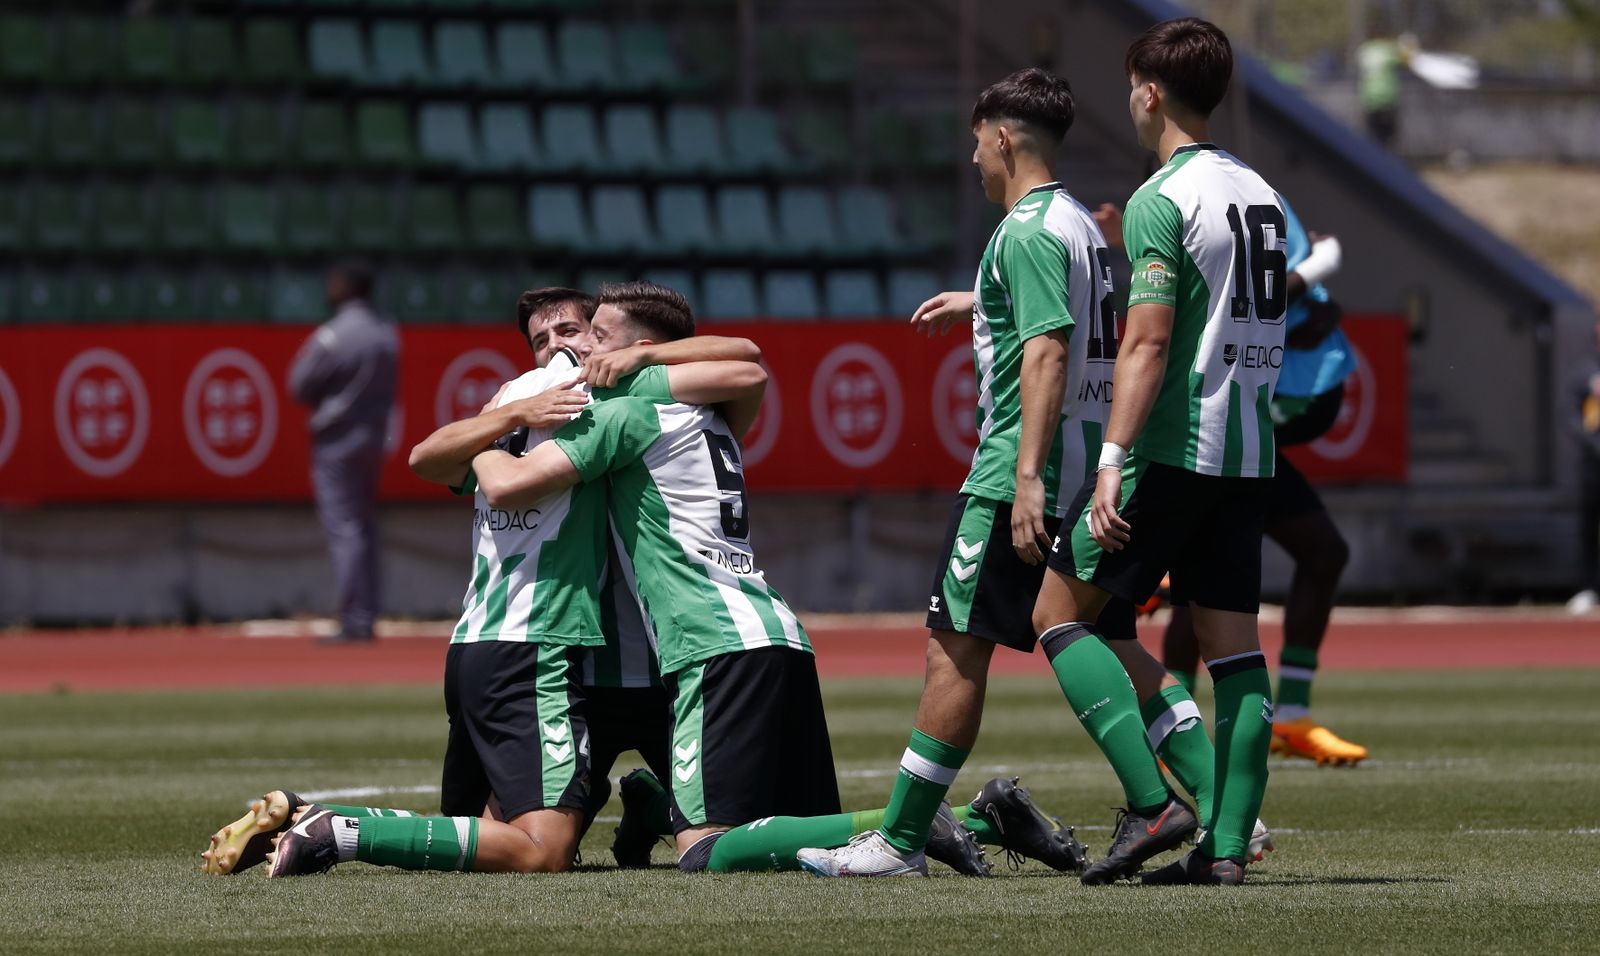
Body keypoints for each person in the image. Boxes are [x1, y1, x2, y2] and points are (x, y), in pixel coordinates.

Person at [200, 287, 771, 877]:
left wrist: (500, 420)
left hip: (584, 658)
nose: (555, 347)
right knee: (550, 845)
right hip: (555, 653)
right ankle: (336, 828)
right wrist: (510, 416)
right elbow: (747, 365)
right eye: (540, 339)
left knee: (485, 834)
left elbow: (427, 458)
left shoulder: (555, 393)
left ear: (603, 335)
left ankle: (313, 818)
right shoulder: (557, 398)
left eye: (569, 332)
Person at [793, 68, 1115, 879]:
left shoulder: (1026, 231)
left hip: (1016, 470)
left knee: (954, 647)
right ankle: (1200, 804)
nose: (973, 159)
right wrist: (980, 301)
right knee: (1097, 639)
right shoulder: (1077, 222)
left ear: (1002, 138)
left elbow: (1046, 352)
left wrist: (1028, 478)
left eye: (976, 142)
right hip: (1084, 465)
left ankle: (901, 840)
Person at [1032, 16, 1285, 887]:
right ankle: (1225, 851)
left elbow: (1146, 341)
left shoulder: (1160, 196)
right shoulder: (1260, 192)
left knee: (1057, 615)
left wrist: (1111, 459)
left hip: (1174, 446)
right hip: (1249, 452)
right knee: (1235, 650)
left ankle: (1155, 804)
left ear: (1149, 92)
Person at [1156, 201, 1368, 766]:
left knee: (1321, 554)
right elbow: (1261, 295)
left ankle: (1291, 714)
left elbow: (1269, 297)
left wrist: (1309, 297)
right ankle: (1170, 725)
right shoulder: (1188, 212)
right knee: (1205, 585)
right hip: (1221, 435)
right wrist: (1319, 266)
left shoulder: (1234, 205)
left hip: (1253, 441)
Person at [287, 261, 398, 644]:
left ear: (345, 287)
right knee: (364, 525)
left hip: (337, 438)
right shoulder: (386, 332)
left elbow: (299, 384)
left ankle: (355, 618)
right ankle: (366, 611)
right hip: (374, 436)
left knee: (346, 527)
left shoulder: (334, 334)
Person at [1565, 322, 1600, 615]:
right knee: (1589, 528)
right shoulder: (1585, 372)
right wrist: (1592, 443)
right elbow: (1568, 413)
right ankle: (1590, 588)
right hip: (1594, 463)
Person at [1355, 21, 1407, 149]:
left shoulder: (1364, 50)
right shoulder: (1390, 49)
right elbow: (1405, 62)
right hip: (1388, 97)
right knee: (1389, 135)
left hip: (1369, 97)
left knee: (1373, 134)